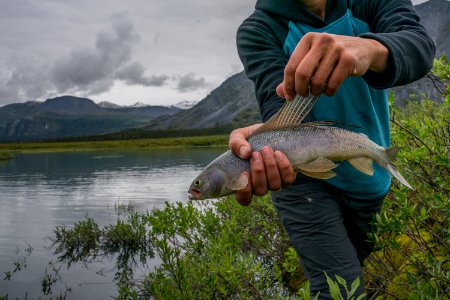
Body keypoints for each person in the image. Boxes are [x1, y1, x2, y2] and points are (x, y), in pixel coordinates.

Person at [230, 0, 435, 298]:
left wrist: (368, 50)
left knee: (355, 266)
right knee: (340, 291)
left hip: (368, 176)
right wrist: (266, 136)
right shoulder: (258, 30)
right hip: (301, 180)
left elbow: (419, 46)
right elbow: (278, 103)